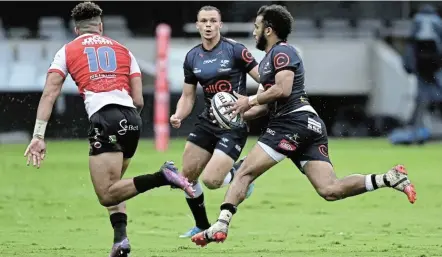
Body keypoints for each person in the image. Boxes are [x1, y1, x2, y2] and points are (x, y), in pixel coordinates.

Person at [191, 4, 417, 246]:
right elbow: (263, 106)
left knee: (244, 172)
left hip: (291, 122)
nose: (254, 32)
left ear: (269, 30)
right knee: (330, 189)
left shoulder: (283, 53)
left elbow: (283, 89)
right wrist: (237, 113)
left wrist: (250, 99)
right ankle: (389, 178)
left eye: (257, 27)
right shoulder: (268, 60)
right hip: (307, 124)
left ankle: (220, 226)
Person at [23, 2, 194, 257]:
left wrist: (38, 135)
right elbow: (139, 100)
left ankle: (163, 176)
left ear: (75, 29)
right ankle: (121, 241)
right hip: (131, 120)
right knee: (116, 186)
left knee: (106, 193)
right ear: (100, 27)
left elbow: (50, 92)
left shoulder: (68, 50)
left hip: (105, 118)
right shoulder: (124, 50)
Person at [169, 5, 264, 238]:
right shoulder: (192, 56)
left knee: (212, 181)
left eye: (213, 21)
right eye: (204, 21)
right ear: (198, 25)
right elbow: (188, 95)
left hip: (233, 124)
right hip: (208, 121)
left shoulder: (235, 50)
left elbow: (265, 78)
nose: (209, 25)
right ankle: (201, 224)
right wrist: (179, 115)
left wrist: (253, 103)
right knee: (186, 177)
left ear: (220, 25)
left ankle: (238, 174)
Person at [389, 4, 442, 145]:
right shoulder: (437, 23)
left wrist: (409, 67)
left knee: (421, 101)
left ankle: (416, 131)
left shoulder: (417, 24)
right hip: (437, 69)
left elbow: (410, 47)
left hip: (421, 71)